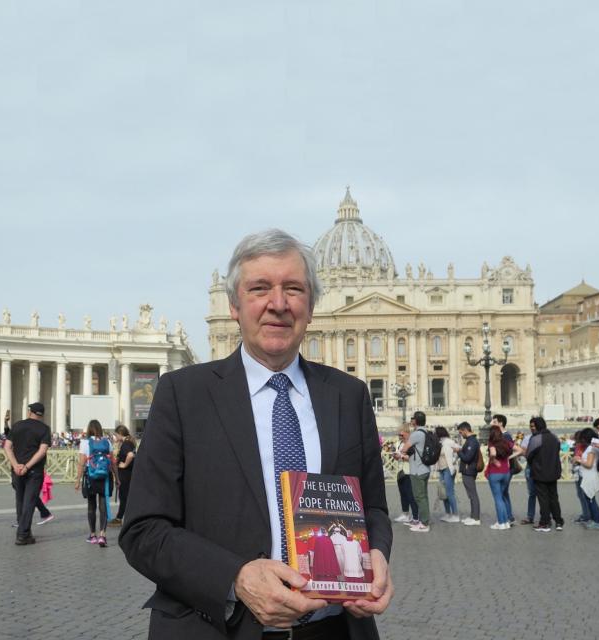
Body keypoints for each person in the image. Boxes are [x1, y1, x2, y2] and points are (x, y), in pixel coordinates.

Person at [119, 229, 393, 639]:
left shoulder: (348, 395)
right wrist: (235, 578)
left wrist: (377, 554)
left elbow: (373, 509)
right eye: (260, 288)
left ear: (312, 306)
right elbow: (143, 530)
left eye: (294, 289)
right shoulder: (183, 394)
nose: (277, 304)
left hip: (334, 630)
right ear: (234, 305)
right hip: (216, 628)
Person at [3, 402, 51, 545]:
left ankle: (23, 531)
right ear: (41, 415)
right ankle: (23, 535)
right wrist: (27, 466)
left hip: (17, 470)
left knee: (20, 500)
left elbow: (7, 447)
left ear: (30, 412)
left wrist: (16, 465)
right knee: (29, 501)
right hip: (34, 470)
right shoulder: (44, 429)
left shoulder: (17, 425)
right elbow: (42, 451)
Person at [75, 419, 118, 547]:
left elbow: (82, 463)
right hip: (105, 477)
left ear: (89, 429)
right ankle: (103, 535)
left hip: (91, 477)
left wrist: (77, 480)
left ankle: (93, 535)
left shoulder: (85, 443)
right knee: (103, 504)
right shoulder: (107, 442)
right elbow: (113, 462)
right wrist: (118, 478)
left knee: (91, 506)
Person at [526, 416, 564, 533]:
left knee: (543, 499)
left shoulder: (536, 439)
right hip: (553, 471)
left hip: (540, 472)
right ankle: (558, 521)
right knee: (554, 497)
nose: (531, 428)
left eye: (532, 426)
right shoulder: (554, 437)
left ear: (537, 426)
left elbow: (529, 455)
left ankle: (545, 522)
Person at [403, 411, 431, 532]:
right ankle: (423, 519)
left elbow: (405, 448)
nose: (411, 420)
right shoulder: (426, 432)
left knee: (419, 497)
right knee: (424, 496)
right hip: (425, 468)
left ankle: (424, 524)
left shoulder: (416, 434)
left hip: (417, 470)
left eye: (412, 419)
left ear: (415, 421)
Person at [573, 428, 599, 530]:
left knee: (591, 499)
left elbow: (589, 464)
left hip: (589, 476)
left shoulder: (591, 449)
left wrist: (579, 460)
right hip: (587, 476)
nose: (582, 441)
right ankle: (593, 520)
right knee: (589, 499)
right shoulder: (592, 447)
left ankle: (596, 521)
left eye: (583, 439)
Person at [485, 425, 513, 530]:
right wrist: (509, 458)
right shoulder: (506, 442)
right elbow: (519, 450)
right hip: (506, 472)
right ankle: (506, 522)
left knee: (498, 499)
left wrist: (493, 460)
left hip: (495, 473)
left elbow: (493, 453)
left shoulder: (492, 443)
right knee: (502, 497)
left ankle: (501, 523)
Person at [108, 424, 136, 527]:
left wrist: (124, 465)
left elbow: (130, 455)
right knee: (126, 497)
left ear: (120, 434)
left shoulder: (126, 444)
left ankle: (120, 518)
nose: (115, 437)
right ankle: (122, 517)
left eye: (116, 434)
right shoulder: (130, 442)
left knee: (124, 497)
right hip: (129, 474)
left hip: (125, 475)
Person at [392, 423, 419, 525]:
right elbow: (399, 455)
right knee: (403, 494)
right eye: (399, 435)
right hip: (400, 472)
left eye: (401, 435)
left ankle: (416, 516)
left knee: (411, 495)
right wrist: (395, 456)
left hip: (409, 472)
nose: (400, 437)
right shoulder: (399, 443)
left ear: (408, 433)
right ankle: (405, 514)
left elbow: (414, 458)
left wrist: (402, 457)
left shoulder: (412, 443)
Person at [490, 414, 514, 525]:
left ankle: (506, 518)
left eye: (494, 422)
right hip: (504, 470)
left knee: (501, 495)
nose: (491, 424)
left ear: (500, 423)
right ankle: (508, 518)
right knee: (504, 494)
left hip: (502, 469)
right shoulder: (503, 436)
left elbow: (513, 450)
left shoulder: (505, 436)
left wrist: (503, 459)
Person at [455, 422, 481, 525]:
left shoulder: (472, 442)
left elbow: (467, 457)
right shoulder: (470, 441)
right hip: (468, 470)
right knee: (471, 495)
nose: (461, 434)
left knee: (473, 495)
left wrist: (458, 451)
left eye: (461, 432)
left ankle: (476, 518)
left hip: (469, 470)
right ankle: (473, 516)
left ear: (465, 430)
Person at [435, 426, 459, 523]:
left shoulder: (449, 442)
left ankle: (455, 515)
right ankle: (448, 513)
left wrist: (454, 460)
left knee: (449, 493)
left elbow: (459, 449)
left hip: (448, 469)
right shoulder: (439, 443)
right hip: (441, 470)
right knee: (443, 492)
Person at [518, 420, 538, 525]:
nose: (532, 428)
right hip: (530, 467)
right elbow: (523, 451)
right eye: (531, 426)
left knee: (544, 494)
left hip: (541, 468)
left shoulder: (543, 437)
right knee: (532, 494)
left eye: (534, 426)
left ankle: (547, 516)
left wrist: (529, 451)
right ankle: (530, 516)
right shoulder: (527, 438)